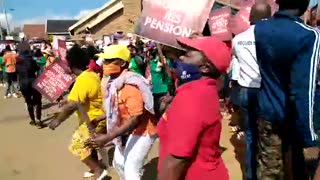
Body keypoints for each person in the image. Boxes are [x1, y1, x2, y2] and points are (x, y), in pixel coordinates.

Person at [254, 0, 320, 179]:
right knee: (297, 168)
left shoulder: (260, 29)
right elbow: (304, 88)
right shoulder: (308, 36)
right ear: (305, 5)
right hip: (293, 115)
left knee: (269, 168)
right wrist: (310, 134)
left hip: (267, 110)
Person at [157, 36, 231, 180]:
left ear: (205, 67)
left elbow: (176, 161)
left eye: (188, 54)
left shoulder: (193, 96)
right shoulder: (203, 89)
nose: (182, 57)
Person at [86, 45, 157, 180]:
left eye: (109, 60)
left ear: (123, 63)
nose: (105, 64)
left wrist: (108, 136)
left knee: (131, 169)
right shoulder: (114, 83)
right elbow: (117, 109)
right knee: (118, 163)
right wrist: (101, 118)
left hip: (143, 130)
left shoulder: (131, 85)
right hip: (126, 130)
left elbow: (135, 118)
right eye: (104, 61)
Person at [48, 45, 108, 180]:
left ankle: (98, 171)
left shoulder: (82, 80)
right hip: (96, 118)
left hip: (93, 120)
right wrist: (65, 101)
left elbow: (73, 105)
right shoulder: (90, 75)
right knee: (89, 146)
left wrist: (57, 121)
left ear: (71, 65)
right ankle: (95, 169)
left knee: (76, 146)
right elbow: (80, 98)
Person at [232, 2, 272, 180]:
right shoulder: (273, 38)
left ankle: (250, 176)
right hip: (266, 92)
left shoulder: (237, 39)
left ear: (250, 17)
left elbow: (236, 69)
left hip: (246, 91)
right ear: (270, 17)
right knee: (267, 136)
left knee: (250, 136)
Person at [15, 42, 43, 127]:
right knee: (38, 101)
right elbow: (37, 68)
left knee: (28, 101)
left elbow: (16, 72)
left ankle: (32, 120)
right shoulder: (32, 60)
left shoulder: (18, 62)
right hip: (34, 81)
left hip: (23, 83)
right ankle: (38, 120)